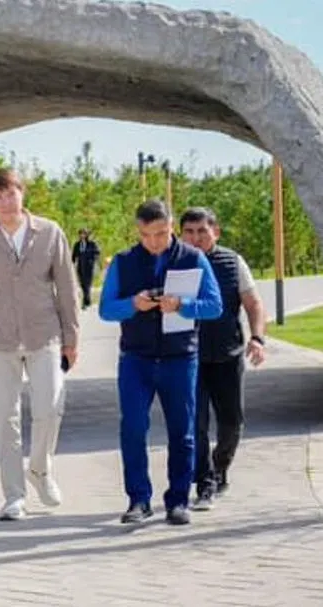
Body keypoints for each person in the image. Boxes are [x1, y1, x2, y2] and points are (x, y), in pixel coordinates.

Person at [0, 169, 80, 521]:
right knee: (3, 418)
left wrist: (71, 337)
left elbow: (67, 287)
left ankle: (40, 469)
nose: (5, 202)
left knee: (50, 408)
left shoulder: (50, 232)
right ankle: (14, 495)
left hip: (45, 335)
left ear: (22, 194)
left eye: (10, 193)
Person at [98, 199, 222, 526]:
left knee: (183, 431)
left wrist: (182, 304)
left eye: (161, 233)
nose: (154, 241)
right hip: (135, 359)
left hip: (180, 358)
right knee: (133, 429)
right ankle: (138, 500)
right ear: (137, 231)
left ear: (171, 226)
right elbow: (106, 309)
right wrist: (133, 304)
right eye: (146, 235)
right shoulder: (123, 262)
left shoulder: (193, 258)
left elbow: (215, 306)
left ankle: (178, 500)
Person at [179, 207, 266, 510]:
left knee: (232, 421)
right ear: (181, 235)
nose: (196, 238)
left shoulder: (233, 262)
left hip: (228, 356)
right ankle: (206, 482)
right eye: (189, 232)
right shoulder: (175, 263)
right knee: (196, 423)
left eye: (202, 231)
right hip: (189, 357)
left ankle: (220, 468)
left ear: (215, 232)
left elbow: (254, 304)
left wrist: (257, 338)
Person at [72, 228, 101, 309]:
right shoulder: (77, 244)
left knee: (87, 284)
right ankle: (87, 301)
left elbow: (97, 252)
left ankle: (85, 303)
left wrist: (92, 259)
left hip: (89, 267)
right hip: (80, 267)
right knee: (82, 284)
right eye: (80, 234)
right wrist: (72, 263)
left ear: (86, 235)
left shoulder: (92, 244)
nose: (82, 235)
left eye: (83, 234)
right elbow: (74, 255)